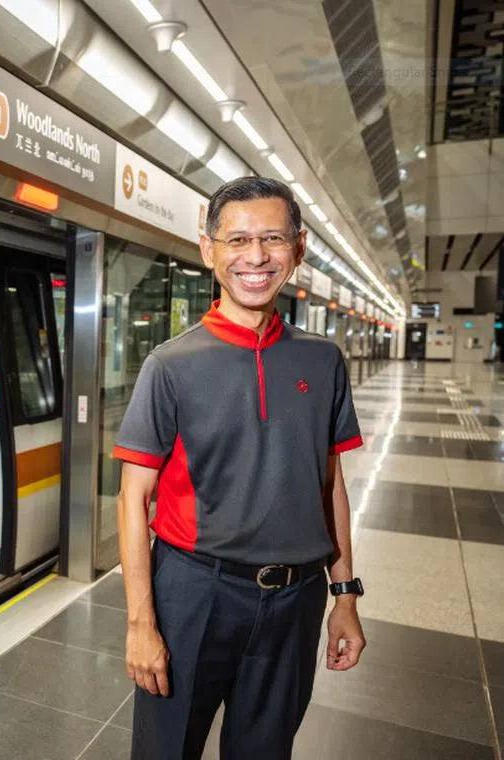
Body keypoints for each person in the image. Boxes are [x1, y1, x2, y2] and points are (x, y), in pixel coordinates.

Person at [115, 176, 366, 759]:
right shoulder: (170, 365)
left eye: (273, 239)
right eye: (238, 240)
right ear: (209, 249)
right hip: (192, 594)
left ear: (298, 250)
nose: (256, 257)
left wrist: (345, 597)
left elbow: (329, 487)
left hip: (295, 602)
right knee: (165, 751)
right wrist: (140, 624)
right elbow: (133, 500)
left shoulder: (323, 360)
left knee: (266, 751)